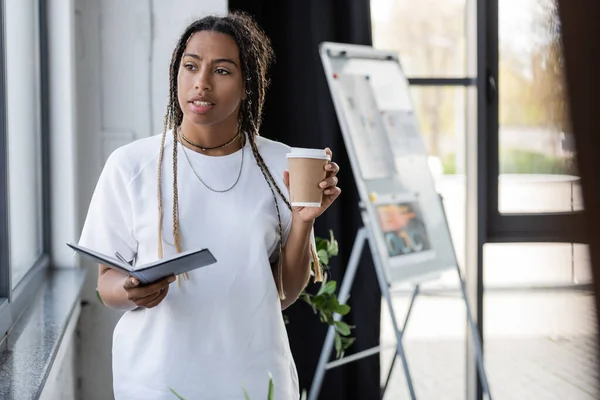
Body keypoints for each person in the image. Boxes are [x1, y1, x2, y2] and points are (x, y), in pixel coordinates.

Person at [78, 11, 341, 400]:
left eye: (221, 71)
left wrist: (303, 222)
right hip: (155, 379)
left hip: (254, 374)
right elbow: (106, 283)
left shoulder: (281, 166)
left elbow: (282, 294)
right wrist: (131, 291)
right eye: (191, 66)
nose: (201, 83)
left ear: (248, 84)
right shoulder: (131, 165)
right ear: (176, 73)